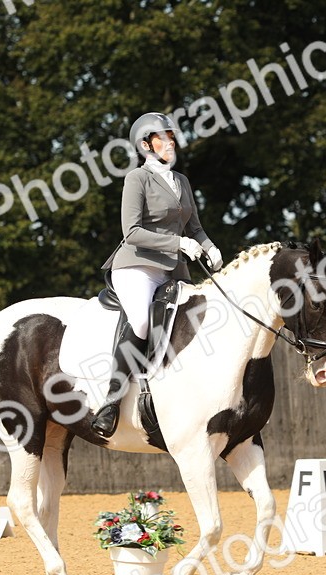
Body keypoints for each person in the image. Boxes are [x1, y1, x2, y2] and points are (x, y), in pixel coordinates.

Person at [91, 112, 222, 438]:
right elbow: (132, 231)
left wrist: (209, 246)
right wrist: (179, 242)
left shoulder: (182, 181)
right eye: (162, 138)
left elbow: (196, 227)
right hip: (137, 267)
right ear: (146, 145)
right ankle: (111, 402)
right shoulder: (137, 178)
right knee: (141, 323)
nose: (170, 143)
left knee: (200, 322)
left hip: (174, 270)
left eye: (172, 137)